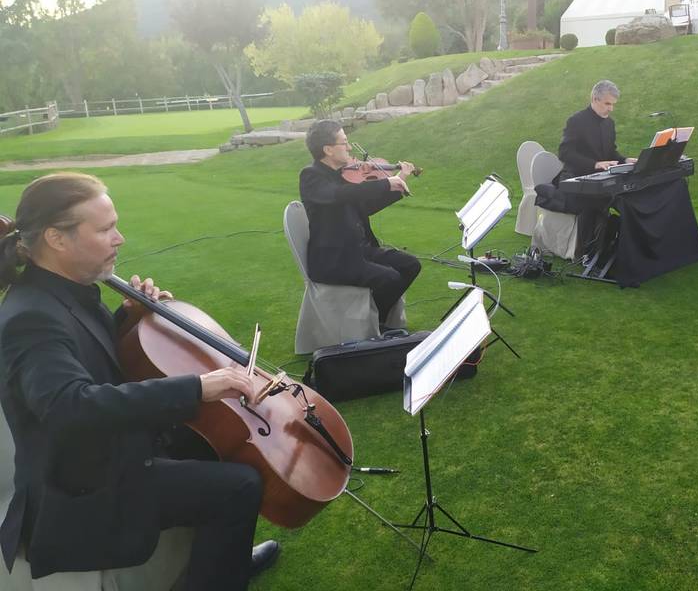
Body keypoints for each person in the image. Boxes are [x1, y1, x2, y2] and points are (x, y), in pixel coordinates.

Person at [0, 173, 279, 589]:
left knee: (213, 444)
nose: (120, 238)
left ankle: (224, 556)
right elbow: (69, 406)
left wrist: (131, 317)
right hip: (82, 486)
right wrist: (199, 387)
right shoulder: (30, 317)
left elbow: (87, 356)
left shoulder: (67, 288)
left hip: (107, 452)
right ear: (57, 239)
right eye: (106, 229)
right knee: (239, 485)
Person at [300, 119, 420, 324]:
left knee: (411, 265)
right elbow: (338, 195)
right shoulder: (312, 176)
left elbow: (363, 208)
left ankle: (378, 318)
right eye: (344, 142)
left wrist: (397, 185)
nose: (348, 147)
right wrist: (384, 183)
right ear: (328, 149)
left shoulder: (343, 175)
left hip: (360, 250)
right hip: (335, 260)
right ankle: (372, 326)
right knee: (389, 278)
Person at [556, 80, 637, 254]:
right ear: (594, 99)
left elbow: (611, 152)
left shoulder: (609, 124)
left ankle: (620, 246)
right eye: (607, 103)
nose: (611, 109)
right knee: (592, 201)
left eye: (613, 104)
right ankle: (587, 253)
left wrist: (625, 160)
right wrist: (594, 164)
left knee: (627, 198)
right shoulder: (576, 121)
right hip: (575, 177)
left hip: (600, 178)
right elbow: (564, 153)